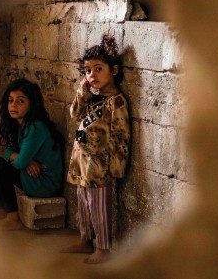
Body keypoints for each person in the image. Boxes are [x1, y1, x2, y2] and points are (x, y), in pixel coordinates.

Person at [62, 35, 131, 264]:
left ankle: (103, 248)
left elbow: (121, 136)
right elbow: (75, 114)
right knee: (83, 205)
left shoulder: (116, 102)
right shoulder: (92, 97)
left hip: (101, 168)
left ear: (114, 70)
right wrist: (82, 91)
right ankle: (85, 239)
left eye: (98, 69)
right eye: (88, 71)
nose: (92, 76)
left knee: (99, 209)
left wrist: (116, 168)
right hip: (83, 163)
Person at [0, 78, 64, 230]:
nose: (13, 105)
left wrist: (22, 160)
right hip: (32, 174)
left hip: (44, 182)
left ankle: (13, 218)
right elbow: (10, 152)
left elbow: (19, 162)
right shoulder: (22, 124)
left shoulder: (35, 127)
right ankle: (1, 209)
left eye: (20, 101)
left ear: (31, 104)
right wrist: (24, 159)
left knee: (2, 169)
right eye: (11, 100)